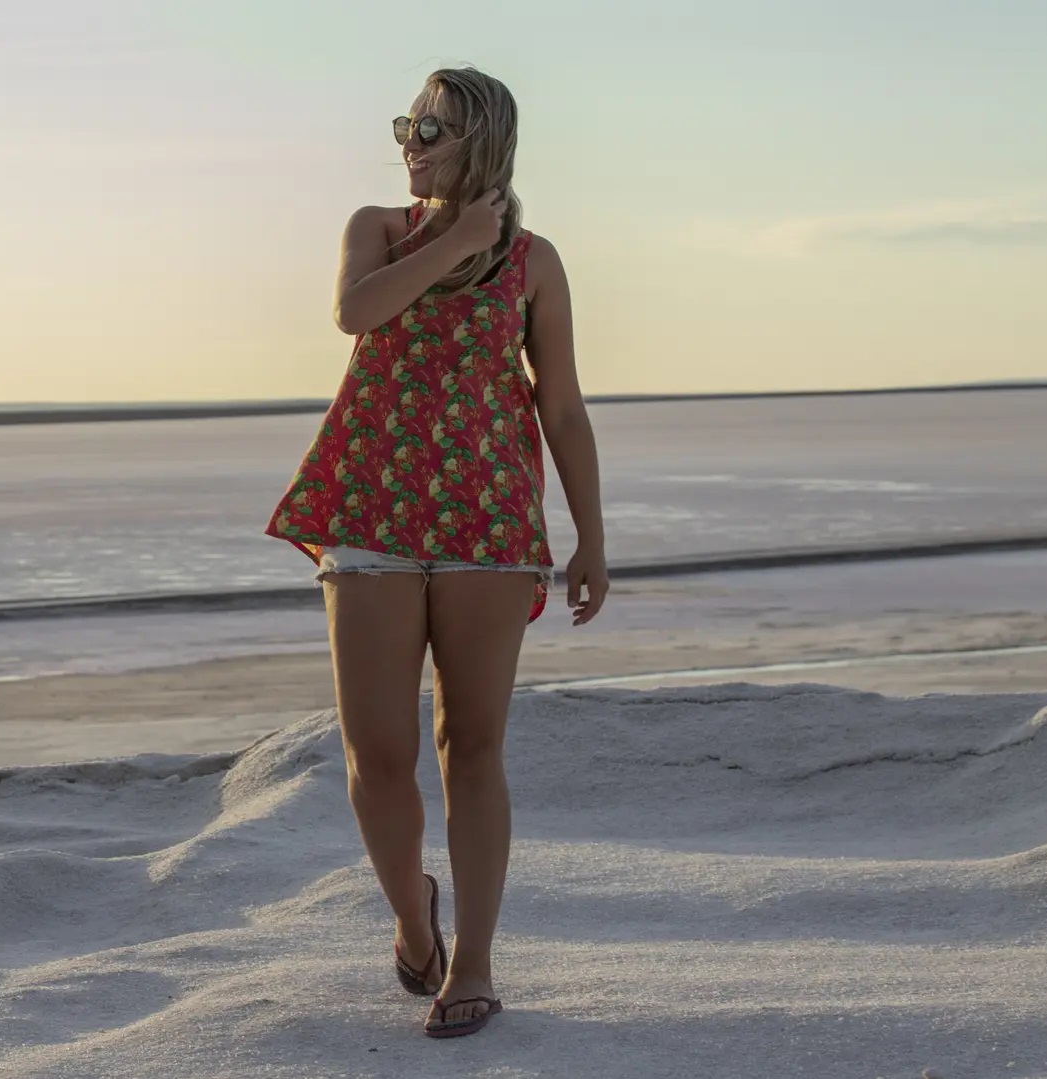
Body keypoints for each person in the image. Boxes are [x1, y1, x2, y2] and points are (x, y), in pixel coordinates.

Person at [263, 65, 609, 1039]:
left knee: (474, 745)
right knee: (377, 752)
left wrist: (590, 533)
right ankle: (415, 918)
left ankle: (476, 961)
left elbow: (564, 404)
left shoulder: (534, 261)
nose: (411, 141)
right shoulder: (375, 228)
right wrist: (454, 238)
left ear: (481, 142)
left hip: (487, 523)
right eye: (408, 124)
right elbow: (358, 312)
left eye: (433, 128)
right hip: (371, 510)